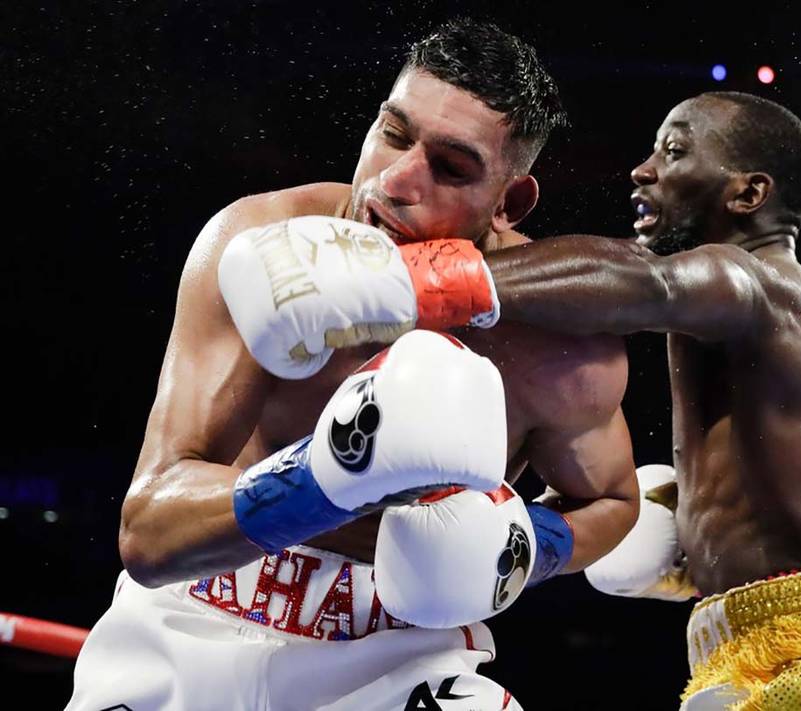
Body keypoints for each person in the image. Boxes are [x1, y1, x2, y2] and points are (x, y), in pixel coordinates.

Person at [324, 91, 801, 709]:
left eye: (675, 152)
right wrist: (724, 562)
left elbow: (640, 281)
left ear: (748, 194)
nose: (644, 169)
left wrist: (405, 279)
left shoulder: (748, 279)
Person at [66, 20, 639, 711]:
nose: (395, 182)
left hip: (398, 655)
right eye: (394, 135)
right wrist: (330, 475)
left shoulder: (551, 342)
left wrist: (520, 546)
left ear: (509, 202)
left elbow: (612, 498)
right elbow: (149, 529)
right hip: (199, 611)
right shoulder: (258, 247)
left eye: (451, 168)